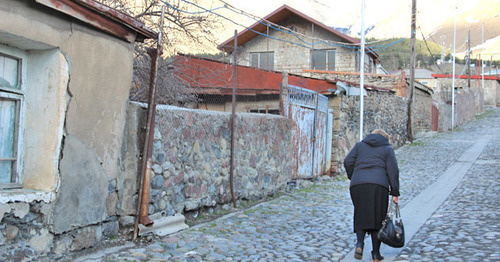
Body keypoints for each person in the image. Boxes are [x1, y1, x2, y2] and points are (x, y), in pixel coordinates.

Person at [344, 129, 400, 262]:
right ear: (385, 138)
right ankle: (376, 254)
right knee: (378, 218)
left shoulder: (359, 145)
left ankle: (359, 244)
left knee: (361, 213)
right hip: (378, 186)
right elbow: (393, 171)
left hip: (358, 185)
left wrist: (354, 176)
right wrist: (395, 192)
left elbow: (347, 161)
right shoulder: (387, 149)